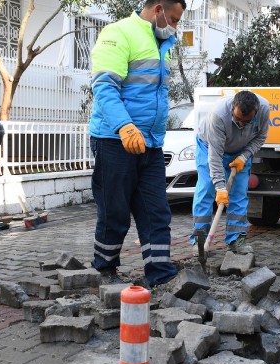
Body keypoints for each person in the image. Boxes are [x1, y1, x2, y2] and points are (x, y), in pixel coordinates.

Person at [88, 0, 186, 287]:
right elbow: (105, 87)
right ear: (157, 9)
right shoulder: (118, 33)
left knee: (156, 210)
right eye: (173, 19)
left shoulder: (161, 43)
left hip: (151, 144)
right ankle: (104, 269)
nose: (175, 26)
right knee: (115, 209)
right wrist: (124, 126)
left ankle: (159, 272)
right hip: (115, 140)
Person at [191, 91, 270, 254]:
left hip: (240, 151)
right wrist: (220, 189)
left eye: (246, 121)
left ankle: (237, 241)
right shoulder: (218, 115)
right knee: (206, 191)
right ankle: (200, 242)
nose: (241, 124)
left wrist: (244, 156)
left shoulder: (263, 109)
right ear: (233, 108)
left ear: (255, 112)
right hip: (209, 147)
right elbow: (214, 157)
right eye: (238, 119)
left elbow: (261, 138)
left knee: (239, 195)